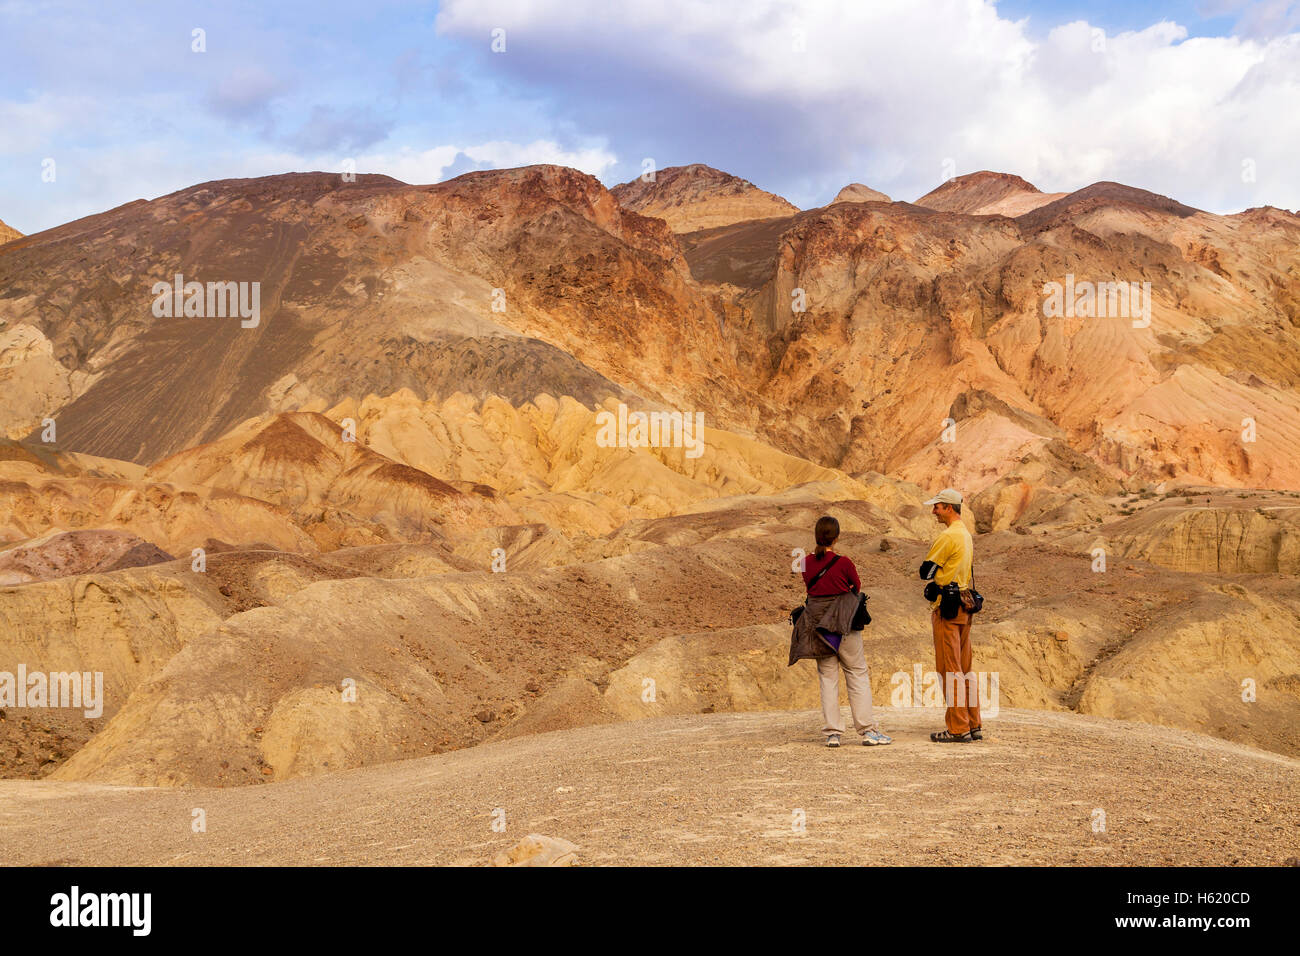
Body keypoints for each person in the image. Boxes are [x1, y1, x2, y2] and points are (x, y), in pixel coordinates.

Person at [788, 515, 892, 748]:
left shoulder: (805, 562)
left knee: (828, 679)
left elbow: (812, 587)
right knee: (856, 674)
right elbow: (856, 586)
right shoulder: (844, 562)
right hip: (843, 626)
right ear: (836, 537)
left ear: (816, 536)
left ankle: (833, 733)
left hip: (818, 628)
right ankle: (868, 730)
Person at [918, 488, 981, 742]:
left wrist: (936, 579)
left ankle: (958, 728)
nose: (933, 511)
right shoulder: (966, 534)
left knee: (949, 668)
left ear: (948, 508)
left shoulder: (947, 536)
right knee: (965, 668)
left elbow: (925, 571)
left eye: (937, 506)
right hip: (965, 606)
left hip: (947, 608)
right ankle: (973, 723)